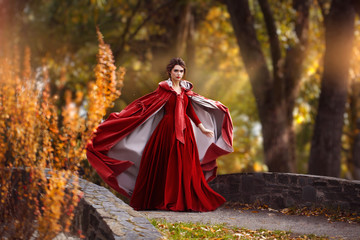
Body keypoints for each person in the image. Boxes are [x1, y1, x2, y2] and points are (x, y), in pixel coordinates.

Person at [86, 58, 233, 212]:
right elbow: (149, 105)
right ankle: (163, 199)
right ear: (169, 72)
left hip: (185, 130)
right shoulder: (163, 89)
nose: (178, 74)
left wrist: (202, 128)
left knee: (185, 164)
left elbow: (189, 111)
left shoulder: (185, 91)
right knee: (165, 163)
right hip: (166, 130)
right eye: (176, 70)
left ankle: (183, 200)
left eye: (181, 71)